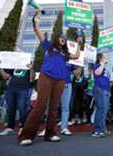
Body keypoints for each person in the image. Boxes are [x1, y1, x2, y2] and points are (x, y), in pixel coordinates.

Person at [18, 11, 81, 146]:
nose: (63, 39)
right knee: (40, 106)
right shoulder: (49, 46)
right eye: (61, 37)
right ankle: (26, 135)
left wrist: (79, 43)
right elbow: (37, 32)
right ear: (57, 38)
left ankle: (50, 133)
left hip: (60, 81)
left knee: (53, 107)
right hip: (46, 77)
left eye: (65, 38)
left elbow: (76, 56)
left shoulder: (65, 53)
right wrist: (36, 21)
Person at [0, 60, 35, 136]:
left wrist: (31, 69)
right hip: (10, 89)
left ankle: (23, 128)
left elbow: (32, 79)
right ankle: (10, 128)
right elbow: (5, 77)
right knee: (10, 108)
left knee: (22, 108)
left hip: (23, 89)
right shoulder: (13, 66)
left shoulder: (28, 67)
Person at [92, 53, 110, 137]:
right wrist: (102, 64)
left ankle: (102, 129)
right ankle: (97, 130)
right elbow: (97, 73)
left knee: (104, 110)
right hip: (99, 89)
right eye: (105, 57)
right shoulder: (97, 65)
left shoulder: (104, 68)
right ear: (100, 58)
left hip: (105, 90)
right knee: (100, 108)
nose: (107, 58)